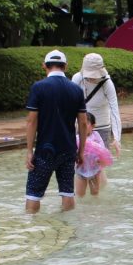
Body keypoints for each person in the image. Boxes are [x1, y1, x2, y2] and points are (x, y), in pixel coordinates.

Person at [25, 50, 88, 213]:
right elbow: (82, 122)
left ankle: (30, 229)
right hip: (68, 150)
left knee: (33, 194)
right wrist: (81, 151)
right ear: (65, 66)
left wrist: (29, 151)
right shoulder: (76, 90)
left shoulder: (38, 88)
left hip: (44, 150)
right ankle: (68, 228)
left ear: (44, 66)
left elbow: (31, 121)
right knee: (68, 192)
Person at [71, 53, 121, 158]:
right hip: (80, 126)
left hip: (101, 127)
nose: (92, 77)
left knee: (99, 166)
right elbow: (69, 105)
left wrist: (117, 138)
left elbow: (114, 110)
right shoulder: (77, 78)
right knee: (78, 162)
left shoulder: (107, 83)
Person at [74, 112, 113, 197]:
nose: (82, 125)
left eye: (86, 123)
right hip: (81, 170)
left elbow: (102, 149)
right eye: (79, 123)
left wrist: (100, 159)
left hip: (95, 169)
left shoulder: (96, 136)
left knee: (95, 193)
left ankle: (95, 208)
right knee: (80, 194)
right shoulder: (76, 138)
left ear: (93, 126)